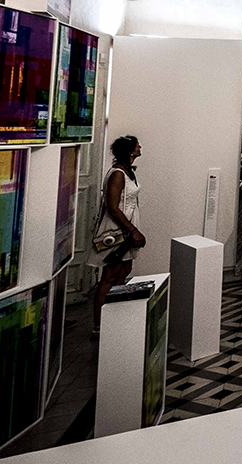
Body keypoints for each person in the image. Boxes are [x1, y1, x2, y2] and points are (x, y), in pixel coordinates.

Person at [88, 136, 147, 336]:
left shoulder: (127, 171)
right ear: (130, 151)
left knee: (123, 271)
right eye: (137, 145)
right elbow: (113, 207)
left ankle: (114, 320)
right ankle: (99, 326)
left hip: (126, 226)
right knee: (110, 275)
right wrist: (132, 230)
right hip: (117, 229)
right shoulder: (118, 174)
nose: (140, 147)